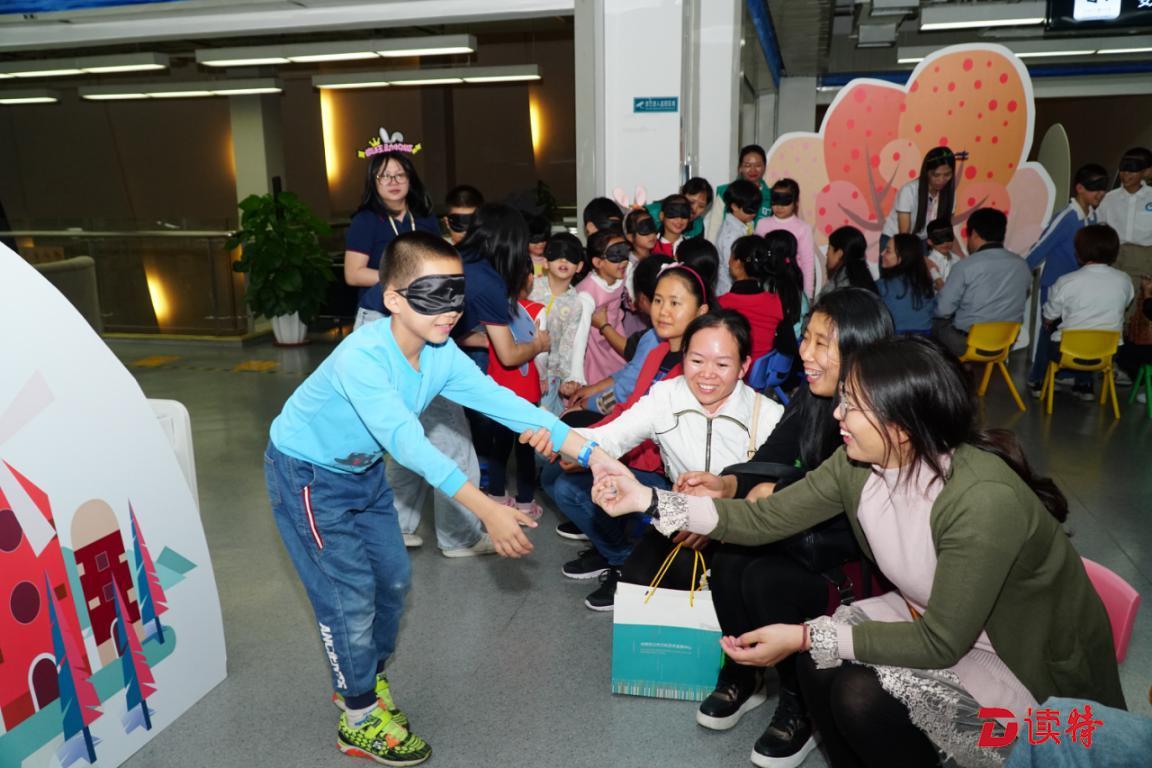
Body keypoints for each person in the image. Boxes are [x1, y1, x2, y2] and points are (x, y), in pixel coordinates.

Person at [593, 336, 1125, 768]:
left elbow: (942, 642)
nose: (838, 415)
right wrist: (644, 499)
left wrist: (803, 633)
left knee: (856, 691)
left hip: (1018, 664)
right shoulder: (860, 464)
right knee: (820, 663)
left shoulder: (980, 499)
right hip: (930, 616)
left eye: (853, 405)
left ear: (903, 425)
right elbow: (762, 519)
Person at [265, 231, 616, 766]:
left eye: (456, 292)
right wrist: (488, 509)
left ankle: (365, 680)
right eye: (433, 294)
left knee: (392, 582)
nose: (450, 308)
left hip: (362, 473)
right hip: (309, 476)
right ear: (393, 299)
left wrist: (595, 454)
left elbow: (504, 403)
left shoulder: (439, 353)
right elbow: (408, 444)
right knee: (348, 596)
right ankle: (357, 716)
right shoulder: (363, 357)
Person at [675, 287, 895, 768]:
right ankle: (743, 669)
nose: (805, 353)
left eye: (821, 343)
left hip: (854, 555)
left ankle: (802, 702)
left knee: (765, 577)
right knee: (729, 553)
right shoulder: (812, 396)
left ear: (858, 350)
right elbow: (772, 457)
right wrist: (726, 484)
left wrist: (777, 494)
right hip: (806, 533)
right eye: (806, 337)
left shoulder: (881, 415)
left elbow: (846, 502)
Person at [534, 310, 783, 611]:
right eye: (696, 360)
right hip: (677, 514)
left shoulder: (768, 415)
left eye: (722, 364)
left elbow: (777, 493)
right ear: (684, 358)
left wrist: (716, 520)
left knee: (734, 596)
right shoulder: (666, 397)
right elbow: (612, 436)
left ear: (744, 366)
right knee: (637, 586)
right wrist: (555, 435)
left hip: (740, 524)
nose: (707, 374)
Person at [545, 265, 712, 609]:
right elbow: (630, 410)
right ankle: (613, 548)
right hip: (639, 457)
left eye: (675, 303)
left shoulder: (699, 367)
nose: (663, 311)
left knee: (570, 487)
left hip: (674, 478)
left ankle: (624, 561)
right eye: (659, 301)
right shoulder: (658, 352)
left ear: (701, 312)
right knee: (555, 472)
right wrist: (585, 445)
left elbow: (665, 439)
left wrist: (599, 457)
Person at [1025, 164, 1109, 388]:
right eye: (1095, 188)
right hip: (1056, 287)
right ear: (1079, 188)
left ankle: (1079, 380)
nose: (1100, 193)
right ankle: (1038, 379)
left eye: (1103, 188)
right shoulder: (1066, 217)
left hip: (1082, 289)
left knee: (1080, 330)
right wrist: (1019, 277)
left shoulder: (1093, 217)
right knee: (1049, 331)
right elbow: (1038, 249)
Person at [1030, 224, 1134, 401]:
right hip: (1108, 352)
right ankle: (1085, 386)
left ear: (1079, 252)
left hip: (1067, 352)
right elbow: (1126, 302)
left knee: (1049, 329)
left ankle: (1040, 382)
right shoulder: (1125, 280)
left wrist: (1049, 321)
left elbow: (1049, 315)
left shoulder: (1066, 281)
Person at [563, 255, 671, 415]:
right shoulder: (655, 335)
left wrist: (586, 404)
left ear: (643, 298)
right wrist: (597, 388)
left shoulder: (654, 338)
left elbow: (625, 390)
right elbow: (633, 370)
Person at [344, 150, 439, 328]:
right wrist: (406, 280)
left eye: (400, 175)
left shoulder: (425, 217)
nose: (393, 181)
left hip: (423, 306)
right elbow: (353, 274)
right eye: (384, 176)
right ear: (373, 182)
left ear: (410, 179)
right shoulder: (365, 220)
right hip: (378, 310)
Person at [487, 274, 547, 518]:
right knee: (525, 450)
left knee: (498, 447)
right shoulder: (538, 310)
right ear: (530, 279)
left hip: (497, 388)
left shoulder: (491, 308)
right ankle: (525, 503)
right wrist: (543, 378)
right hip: (526, 389)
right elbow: (541, 354)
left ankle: (497, 498)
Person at [933, 208, 1031, 358]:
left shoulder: (965, 267)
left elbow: (942, 310)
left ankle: (953, 369)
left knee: (934, 322)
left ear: (974, 234)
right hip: (1005, 343)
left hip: (968, 344)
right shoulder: (1022, 265)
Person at [531, 233, 589, 415]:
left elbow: (567, 344)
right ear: (545, 262)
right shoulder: (530, 287)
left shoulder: (576, 303)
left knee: (544, 419)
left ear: (579, 266)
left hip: (550, 373)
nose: (564, 260)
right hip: (522, 366)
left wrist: (566, 377)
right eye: (557, 254)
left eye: (571, 257)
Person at [717, 234, 795, 363]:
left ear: (737, 263)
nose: (728, 262)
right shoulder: (777, 302)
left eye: (731, 256)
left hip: (733, 371)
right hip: (764, 372)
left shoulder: (722, 304)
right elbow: (789, 349)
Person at [578, 229, 635, 383]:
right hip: (593, 347)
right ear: (598, 262)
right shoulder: (586, 293)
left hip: (616, 337)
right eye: (616, 255)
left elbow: (630, 271)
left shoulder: (621, 273)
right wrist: (576, 376)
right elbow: (579, 338)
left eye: (625, 252)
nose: (624, 261)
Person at [1097, 147, 1152, 306]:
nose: (1126, 175)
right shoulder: (1109, 198)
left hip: (1144, 257)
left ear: (1144, 172)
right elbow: (1099, 227)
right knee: (1112, 300)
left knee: (1137, 305)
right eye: (1123, 170)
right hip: (1114, 255)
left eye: (1132, 171)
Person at [881, 146, 957, 248]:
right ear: (926, 172)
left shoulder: (950, 194)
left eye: (947, 175)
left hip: (925, 240)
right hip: (897, 240)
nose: (941, 180)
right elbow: (904, 235)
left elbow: (945, 229)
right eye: (936, 175)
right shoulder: (908, 191)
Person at [755, 178, 818, 300]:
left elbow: (807, 263)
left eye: (785, 201)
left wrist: (808, 296)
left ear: (796, 202)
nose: (779, 206)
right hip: (766, 285)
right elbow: (757, 255)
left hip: (792, 285)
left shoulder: (803, 228)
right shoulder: (762, 224)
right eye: (776, 200)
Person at [877, 233, 937, 335]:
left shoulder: (882, 286)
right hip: (924, 341)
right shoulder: (926, 284)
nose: (882, 253)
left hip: (894, 341)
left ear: (901, 258)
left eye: (888, 251)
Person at [709, 144, 772, 241]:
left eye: (758, 165)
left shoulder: (771, 196)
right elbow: (714, 228)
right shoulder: (725, 191)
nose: (753, 170)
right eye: (747, 165)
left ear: (764, 167)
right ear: (740, 168)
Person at [715, 179, 762, 297]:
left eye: (756, 208)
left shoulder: (746, 224)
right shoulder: (730, 235)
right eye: (749, 209)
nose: (753, 213)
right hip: (730, 290)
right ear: (734, 206)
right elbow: (732, 268)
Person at [646, 177, 714, 240]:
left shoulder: (697, 226)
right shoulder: (651, 213)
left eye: (701, 206)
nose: (694, 209)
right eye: (691, 202)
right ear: (681, 195)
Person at [819, 225, 878, 298]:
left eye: (829, 249)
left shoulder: (835, 289)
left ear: (839, 254)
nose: (827, 254)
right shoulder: (869, 286)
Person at [925, 217, 963, 291]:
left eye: (948, 237)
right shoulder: (929, 263)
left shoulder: (957, 260)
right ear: (930, 242)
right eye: (939, 238)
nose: (945, 243)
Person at [526, 213, 552, 277]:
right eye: (534, 240)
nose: (540, 244)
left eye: (543, 239)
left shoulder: (553, 260)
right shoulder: (520, 263)